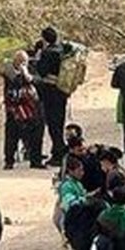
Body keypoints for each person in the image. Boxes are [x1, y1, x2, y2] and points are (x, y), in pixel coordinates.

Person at [34, 27, 71, 167]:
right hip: (62, 91)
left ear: (44, 38)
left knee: (53, 124)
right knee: (59, 123)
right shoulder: (62, 50)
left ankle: (58, 154)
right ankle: (59, 151)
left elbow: (42, 72)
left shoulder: (47, 53)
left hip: (50, 92)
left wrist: (38, 58)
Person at [3, 50, 44, 169]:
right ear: (14, 61)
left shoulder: (31, 67)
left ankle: (36, 160)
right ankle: (9, 160)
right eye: (19, 61)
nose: (22, 64)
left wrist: (28, 75)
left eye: (24, 61)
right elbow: (14, 83)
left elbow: (38, 81)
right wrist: (21, 74)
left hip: (32, 106)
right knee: (12, 135)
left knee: (37, 133)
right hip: (15, 108)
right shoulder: (9, 70)